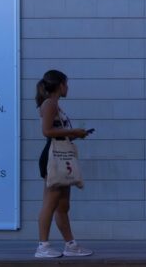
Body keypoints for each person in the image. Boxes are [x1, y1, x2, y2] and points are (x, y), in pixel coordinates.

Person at [35, 70, 93, 259]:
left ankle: (70, 245)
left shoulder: (55, 105)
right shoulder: (50, 103)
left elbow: (57, 131)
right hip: (53, 157)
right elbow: (47, 131)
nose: (68, 88)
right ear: (60, 85)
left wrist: (75, 134)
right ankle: (43, 246)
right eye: (66, 84)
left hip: (61, 156)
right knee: (50, 202)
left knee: (63, 205)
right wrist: (73, 131)